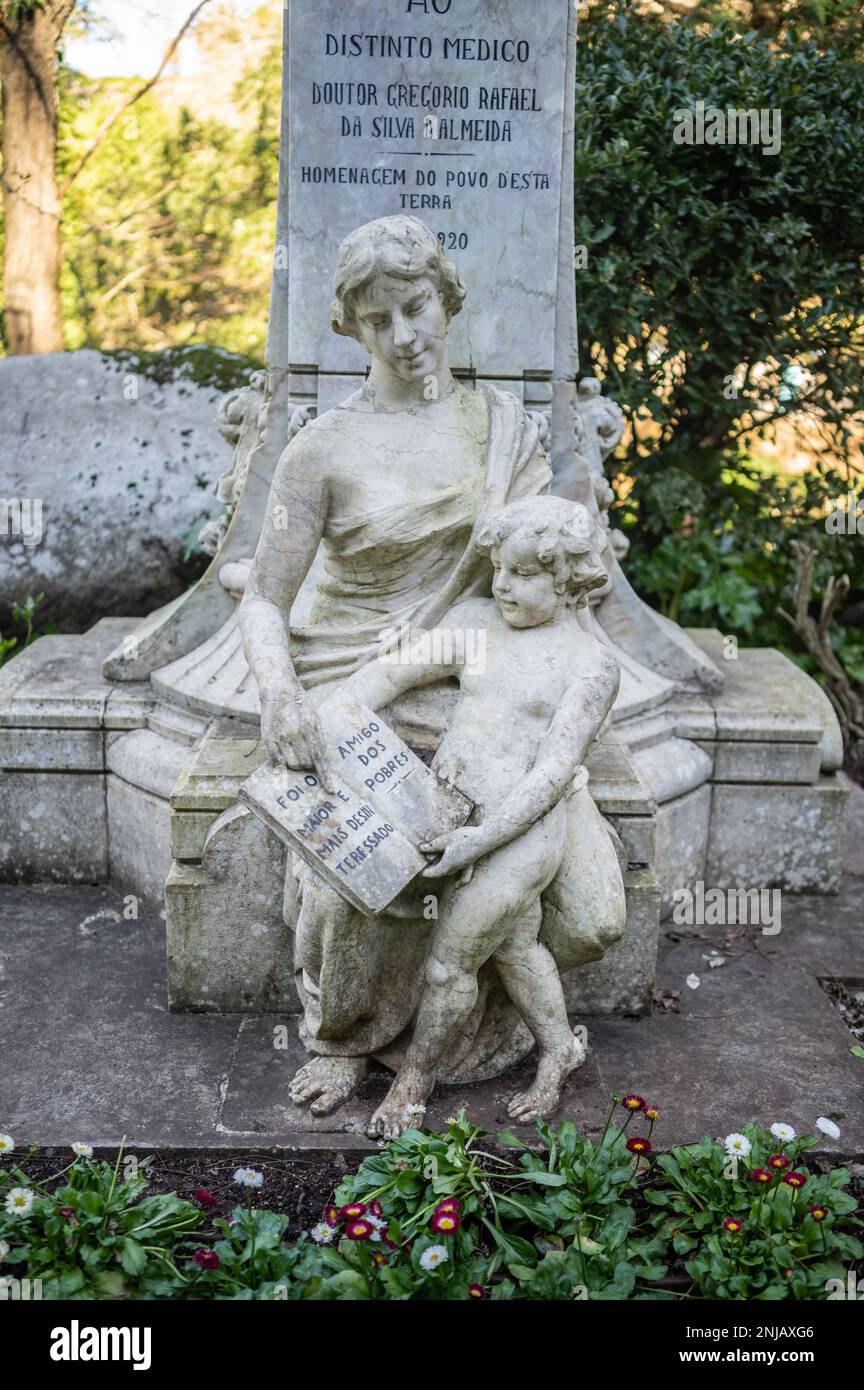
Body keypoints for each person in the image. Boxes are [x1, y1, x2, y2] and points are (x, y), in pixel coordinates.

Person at [238, 216, 553, 1116]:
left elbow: (541, 584)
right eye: (379, 321)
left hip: (467, 683)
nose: (404, 335)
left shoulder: (502, 432)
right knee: (361, 863)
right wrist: (281, 694)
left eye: (416, 308)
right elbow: (264, 598)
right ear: (353, 329)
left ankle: (460, 1032)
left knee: (485, 837)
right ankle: (347, 1033)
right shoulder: (322, 448)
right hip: (352, 690)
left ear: (446, 298)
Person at [332, 496, 621, 1137]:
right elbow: (384, 677)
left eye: (524, 574)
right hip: (446, 810)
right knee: (518, 948)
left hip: (518, 834)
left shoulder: (590, 664)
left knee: (449, 963)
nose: (504, 585)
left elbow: (551, 774)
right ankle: (558, 1051)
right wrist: (334, 720)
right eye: (499, 569)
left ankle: (414, 1083)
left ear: (567, 580)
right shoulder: (477, 624)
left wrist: (475, 842)